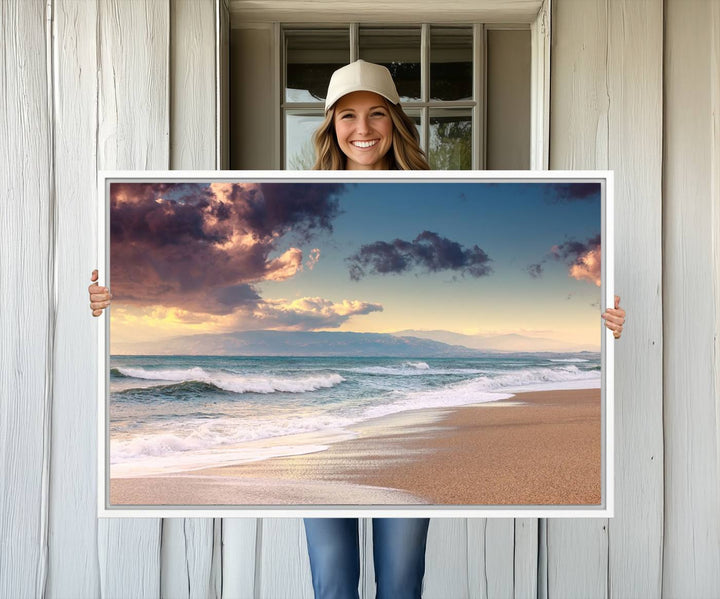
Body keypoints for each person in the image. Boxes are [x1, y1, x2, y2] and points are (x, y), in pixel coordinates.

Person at [88, 60, 627, 599]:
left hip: (384, 415)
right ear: (330, 125)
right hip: (319, 426)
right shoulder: (293, 198)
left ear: (395, 121)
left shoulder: (438, 195)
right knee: (333, 585)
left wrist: (605, 322)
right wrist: (111, 299)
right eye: (348, 115)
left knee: (400, 583)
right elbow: (190, 274)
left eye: (376, 115)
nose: (363, 129)